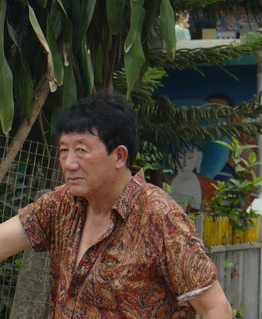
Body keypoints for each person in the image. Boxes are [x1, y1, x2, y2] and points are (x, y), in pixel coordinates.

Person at [0, 92, 232, 318]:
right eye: (63, 150)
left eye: (81, 151)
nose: (69, 163)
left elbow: (216, 308)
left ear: (120, 156)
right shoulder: (61, 204)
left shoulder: (161, 218)